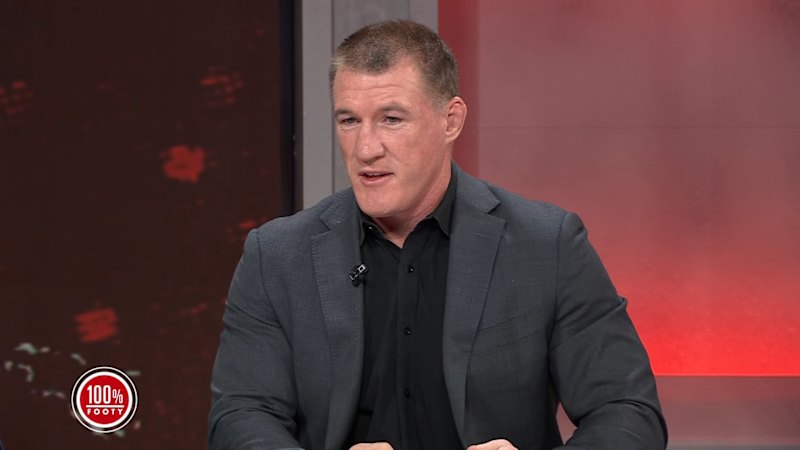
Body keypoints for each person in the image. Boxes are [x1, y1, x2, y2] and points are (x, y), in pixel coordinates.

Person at [209, 20, 667, 450]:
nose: (366, 148)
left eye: (391, 119)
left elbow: (628, 411)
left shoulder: (548, 246)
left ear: (451, 120)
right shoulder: (276, 256)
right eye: (349, 121)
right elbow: (241, 416)